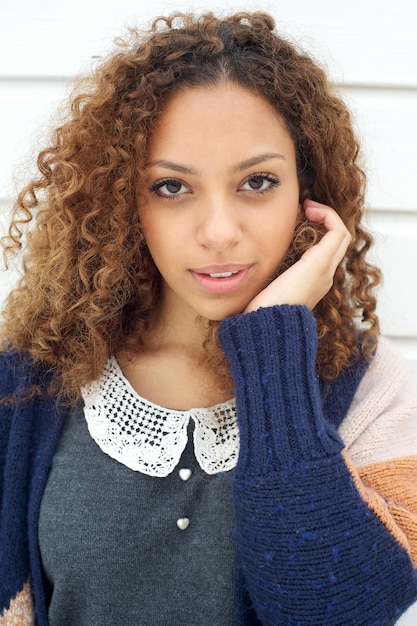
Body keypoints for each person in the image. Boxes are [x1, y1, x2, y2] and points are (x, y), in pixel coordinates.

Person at [0, 10, 416, 626]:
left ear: (310, 189)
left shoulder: (379, 394)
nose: (219, 233)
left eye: (257, 181)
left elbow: (330, 613)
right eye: (172, 187)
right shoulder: (29, 380)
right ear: (123, 199)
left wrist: (274, 343)